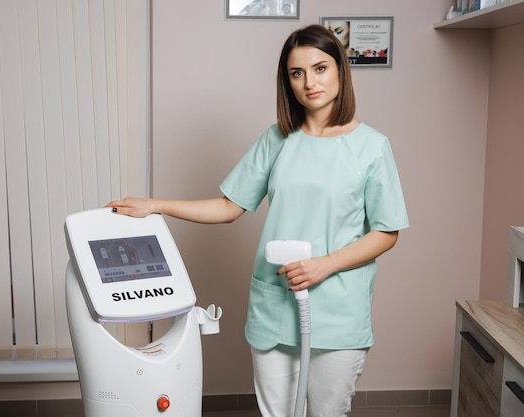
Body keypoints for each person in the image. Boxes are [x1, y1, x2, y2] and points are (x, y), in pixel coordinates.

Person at [106, 24, 408, 417]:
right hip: (274, 305)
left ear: (340, 72)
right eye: (296, 73)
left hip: (339, 310)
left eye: (320, 69)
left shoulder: (372, 146)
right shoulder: (277, 138)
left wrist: (325, 265)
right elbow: (229, 207)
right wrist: (156, 204)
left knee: (327, 412)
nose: (309, 82)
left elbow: (386, 231)